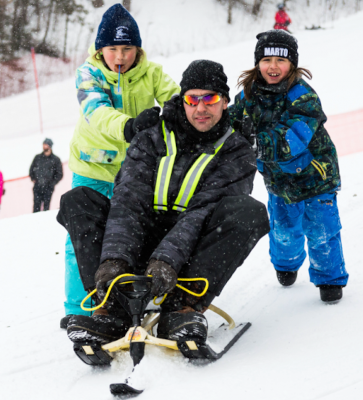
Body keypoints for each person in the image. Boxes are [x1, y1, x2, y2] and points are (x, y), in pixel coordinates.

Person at [57, 60, 270, 345]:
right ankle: (111, 305)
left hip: (189, 255)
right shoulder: (152, 137)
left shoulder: (236, 150)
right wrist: (115, 260)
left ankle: (183, 308)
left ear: (225, 102)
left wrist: (166, 261)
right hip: (137, 242)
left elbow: (202, 211)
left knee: (249, 213)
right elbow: (129, 199)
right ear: (182, 101)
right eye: (192, 99)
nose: (201, 108)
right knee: (78, 200)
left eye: (211, 99)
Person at [62, 3, 180, 328]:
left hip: (136, 173)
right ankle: (79, 309)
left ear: (137, 49)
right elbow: (95, 111)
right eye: (112, 48)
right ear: (101, 49)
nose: (120, 56)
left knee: (128, 236)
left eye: (127, 48)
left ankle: (128, 299)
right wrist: (130, 127)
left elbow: (176, 96)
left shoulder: (151, 72)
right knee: (82, 238)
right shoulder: (89, 73)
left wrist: (174, 111)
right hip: (92, 170)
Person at [229, 30, 349, 302]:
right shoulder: (249, 96)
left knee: (322, 231)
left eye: (280, 60)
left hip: (317, 178)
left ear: (292, 64)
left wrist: (256, 142)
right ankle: (286, 264)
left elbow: (294, 137)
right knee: (283, 231)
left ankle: (329, 279)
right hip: (278, 181)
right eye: (267, 59)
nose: (273, 66)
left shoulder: (303, 96)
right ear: (257, 63)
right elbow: (230, 123)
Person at [29, 138, 63, 213]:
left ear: (50, 146)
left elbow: (59, 174)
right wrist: (34, 179)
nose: (44, 146)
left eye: (46, 145)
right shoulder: (37, 157)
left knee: (46, 208)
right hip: (37, 186)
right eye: (43, 145)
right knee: (36, 207)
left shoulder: (56, 159)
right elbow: (31, 169)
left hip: (48, 188)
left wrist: (52, 183)